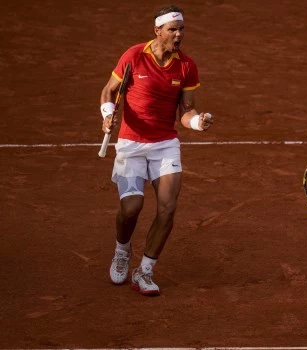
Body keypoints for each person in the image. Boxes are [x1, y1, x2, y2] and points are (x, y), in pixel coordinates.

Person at [99, 5, 214, 296]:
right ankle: (122, 250)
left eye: (181, 29)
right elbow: (109, 91)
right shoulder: (134, 56)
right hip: (131, 145)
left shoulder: (186, 66)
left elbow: (186, 112)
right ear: (158, 31)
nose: (178, 34)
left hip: (164, 145)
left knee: (168, 209)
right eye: (173, 29)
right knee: (131, 208)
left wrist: (198, 123)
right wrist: (108, 113)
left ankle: (145, 271)